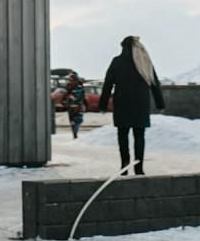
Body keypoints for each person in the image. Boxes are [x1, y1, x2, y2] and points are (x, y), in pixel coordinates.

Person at [98, 35, 164, 174]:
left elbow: (108, 84)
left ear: (123, 47)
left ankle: (124, 165)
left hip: (122, 104)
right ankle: (139, 167)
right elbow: (155, 83)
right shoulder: (145, 62)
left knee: (123, 135)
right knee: (139, 136)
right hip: (140, 105)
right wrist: (160, 103)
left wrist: (103, 104)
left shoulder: (117, 61)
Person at [61, 72, 87, 139]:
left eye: (72, 80)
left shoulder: (80, 86)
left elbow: (82, 96)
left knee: (78, 119)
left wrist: (80, 103)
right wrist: (64, 102)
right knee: (72, 120)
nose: (70, 81)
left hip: (78, 106)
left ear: (76, 80)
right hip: (70, 106)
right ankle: (74, 133)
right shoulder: (68, 87)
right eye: (70, 80)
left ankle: (75, 132)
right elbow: (65, 95)